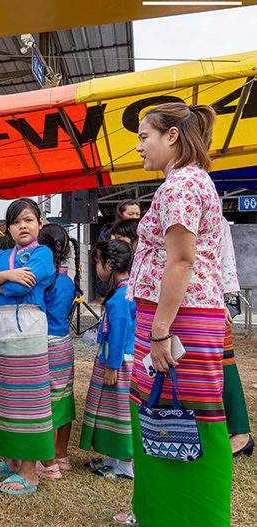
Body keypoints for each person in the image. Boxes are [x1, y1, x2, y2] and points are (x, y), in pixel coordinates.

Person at [116, 103, 230, 527]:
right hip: (176, 317)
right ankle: (159, 510)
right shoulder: (186, 182)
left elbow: (181, 261)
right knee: (164, 411)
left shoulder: (181, 185)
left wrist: (160, 331)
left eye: (145, 136)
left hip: (176, 321)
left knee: (183, 414)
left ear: (172, 137)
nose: (139, 147)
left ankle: (184, 514)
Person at [0, 198, 55, 495]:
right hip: (4, 334)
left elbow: (22, 287)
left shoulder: (43, 253)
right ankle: (12, 460)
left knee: (29, 400)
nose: (23, 226)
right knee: (5, 395)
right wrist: (6, 276)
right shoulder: (1, 256)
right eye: (16, 221)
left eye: (29, 220)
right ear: (7, 228)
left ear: (40, 224)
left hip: (28, 333)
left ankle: (30, 473)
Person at [79, 240, 135, 481]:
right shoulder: (124, 291)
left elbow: (119, 332)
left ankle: (125, 466)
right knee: (111, 413)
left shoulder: (120, 297)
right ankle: (114, 459)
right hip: (115, 360)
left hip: (119, 364)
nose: (97, 270)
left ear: (109, 265)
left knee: (120, 413)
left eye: (97, 264)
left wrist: (112, 366)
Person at [36, 223, 81, 479]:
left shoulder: (45, 280)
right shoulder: (67, 280)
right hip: (64, 344)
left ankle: (48, 461)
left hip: (46, 344)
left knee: (47, 402)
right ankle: (61, 455)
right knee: (64, 399)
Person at [218, 222, 253, 457]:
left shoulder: (210, 216)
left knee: (223, 361)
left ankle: (240, 433)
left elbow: (222, 259)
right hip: (202, 297)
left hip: (208, 298)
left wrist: (227, 301)